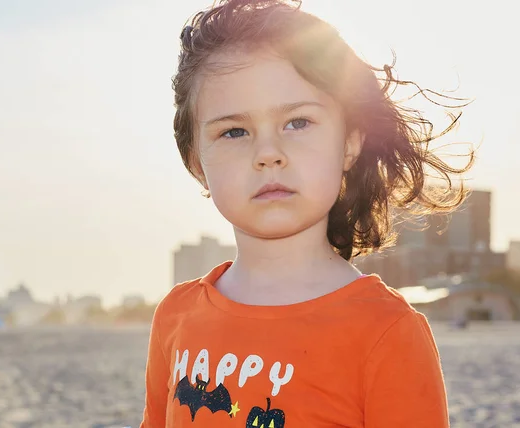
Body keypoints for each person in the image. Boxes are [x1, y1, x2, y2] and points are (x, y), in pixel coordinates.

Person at [141, 0, 473, 426]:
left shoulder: (387, 331)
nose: (268, 154)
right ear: (196, 163)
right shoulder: (176, 315)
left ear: (350, 142)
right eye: (234, 131)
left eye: (297, 122)